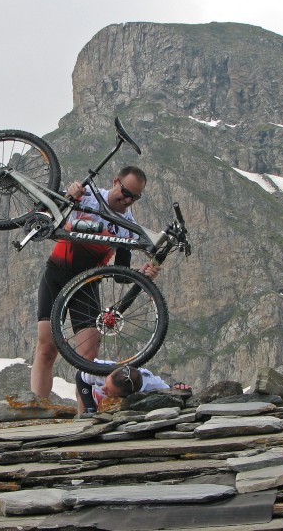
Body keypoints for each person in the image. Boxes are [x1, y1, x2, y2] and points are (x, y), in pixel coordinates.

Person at [30, 166, 161, 398]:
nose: (127, 199)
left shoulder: (127, 228)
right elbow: (46, 210)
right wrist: (69, 195)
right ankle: (38, 407)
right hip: (58, 273)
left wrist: (141, 273)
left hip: (87, 287)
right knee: (47, 349)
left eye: (134, 197)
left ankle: (87, 417)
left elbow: (120, 275)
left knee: (88, 359)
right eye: (125, 191)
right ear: (115, 182)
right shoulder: (88, 194)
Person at [75, 364, 192, 413]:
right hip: (94, 400)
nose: (103, 388)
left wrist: (179, 387)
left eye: (109, 391)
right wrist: (89, 407)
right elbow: (80, 376)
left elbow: (170, 390)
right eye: (106, 383)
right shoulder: (102, 370)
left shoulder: (152, 384)